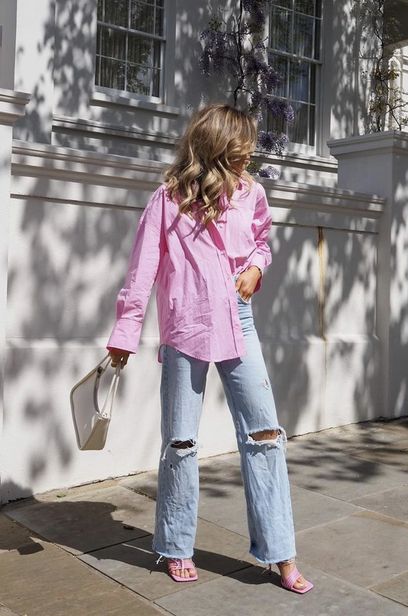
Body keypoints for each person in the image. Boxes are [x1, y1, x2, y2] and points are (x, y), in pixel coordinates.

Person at [106, 103, 313, 594]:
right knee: (181, 442)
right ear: (218, 147)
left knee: (266, 434)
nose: (250, 155)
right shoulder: (167, 199)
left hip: (238, 321)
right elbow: (141, 272)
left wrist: (256, 269)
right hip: (185, 325)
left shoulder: (253, 193)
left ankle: (280, 552)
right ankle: (176, 545)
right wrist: (124, 334)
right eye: (242, 147)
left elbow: (262, 241)